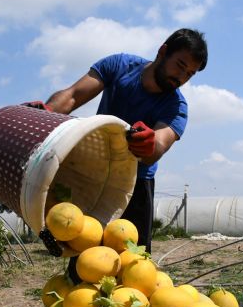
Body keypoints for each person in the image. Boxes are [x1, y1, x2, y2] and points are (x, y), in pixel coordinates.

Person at [28, 27, 208, 255]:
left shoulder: (176, 107)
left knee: (133, 263)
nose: (181, 77)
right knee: (87, 257)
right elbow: (73, 95)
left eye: (190, 74)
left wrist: (148, 143)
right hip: (94, 176)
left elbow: (159, 145)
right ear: (163, 51)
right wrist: (48, 111)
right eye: (180, 65)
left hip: (135, 187)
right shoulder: (120, 66)